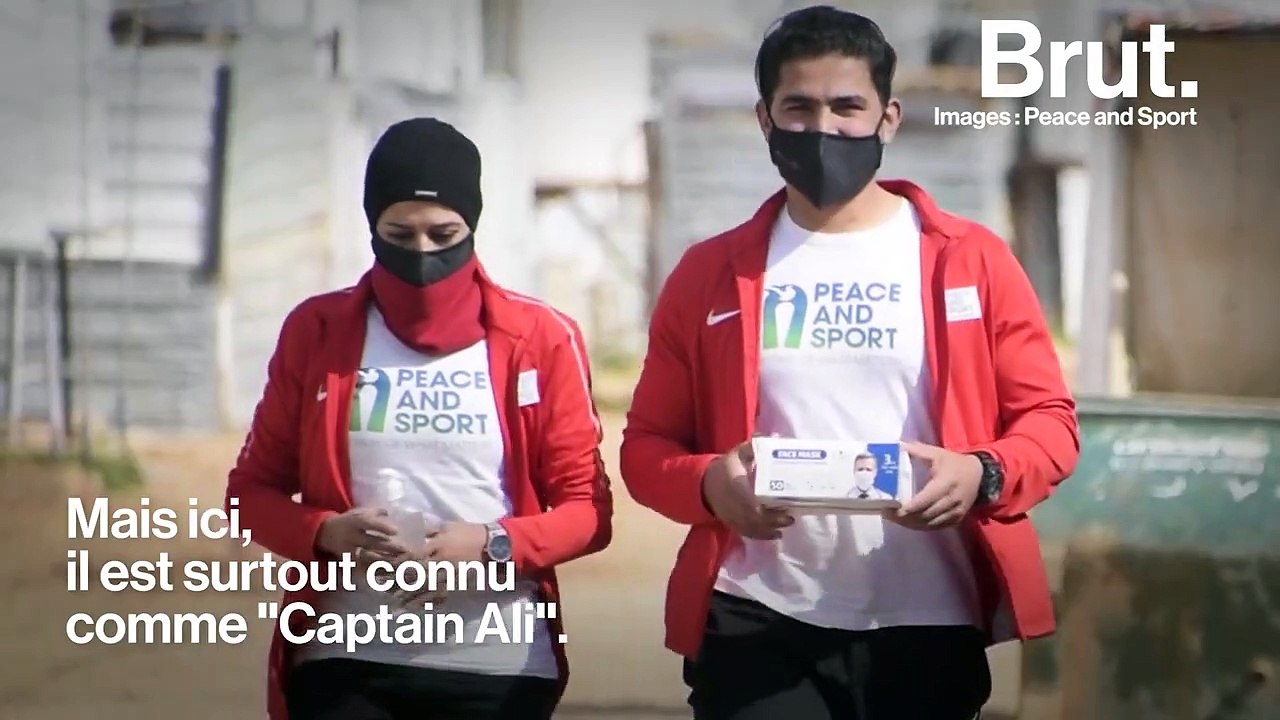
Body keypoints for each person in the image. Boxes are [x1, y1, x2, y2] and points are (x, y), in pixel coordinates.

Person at [619, 6, 1079, 719]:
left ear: (888, 119)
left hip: (929, 624)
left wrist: (981, 472)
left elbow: (1050, 424)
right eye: (798, 107)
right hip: (758, 619)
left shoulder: (971, 261)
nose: (823, 128)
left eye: (847, 107)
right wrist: (711, 484)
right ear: (765, 119)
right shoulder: (709, 274)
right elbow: (647, 448)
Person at [225, 117, 613, 720]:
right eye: (399, 234)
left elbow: (588, 512)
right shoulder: (318, 331)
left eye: (444, 233)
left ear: (473, 226)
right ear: (372, 226)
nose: (424, 254)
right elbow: (248, 495)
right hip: (346, 658)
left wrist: (489, 545)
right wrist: (327, 531)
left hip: (497, 663)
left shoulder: (541, 337)